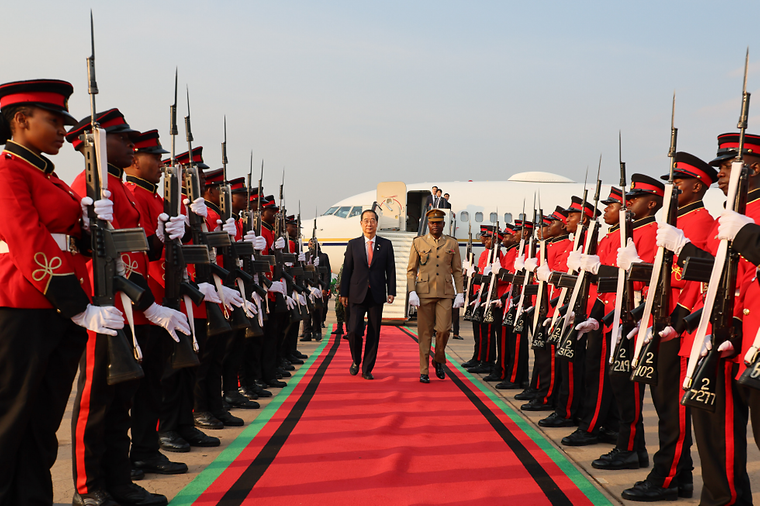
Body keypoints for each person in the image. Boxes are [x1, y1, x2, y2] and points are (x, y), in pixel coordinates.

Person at [0, 79, 124, 506]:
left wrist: (90, 225)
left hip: (60, 307)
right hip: (23, 306)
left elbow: (70, 240)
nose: (61, 131)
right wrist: (77, 306)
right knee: (9, 421)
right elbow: (28, 240)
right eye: (53, 121)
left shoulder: (46, 175)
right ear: (20, 121)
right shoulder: (8, 170)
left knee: (40, 423)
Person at [407, 209, 465, 382]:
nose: (435, 226)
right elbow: (411, 270)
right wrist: (412, 291)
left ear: (443, 224)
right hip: (424, 293)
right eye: (432, 223)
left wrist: (460, 293)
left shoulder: (452, 244)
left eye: (438, 223)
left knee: (444, 330)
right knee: (424, 333)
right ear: (428, 224)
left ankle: (439, 358)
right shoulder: (418, 242)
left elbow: (457, 270)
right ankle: (424, 370)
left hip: (445, 293)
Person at [340, 209, 396, 379]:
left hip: (376, 294)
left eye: (372, 220)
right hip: (356, 293)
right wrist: (343, 292)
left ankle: (367, 368)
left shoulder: (386, 245)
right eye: (366, 220)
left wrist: (391, 290)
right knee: (353, 330)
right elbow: (347, 270)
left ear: (377, 223)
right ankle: (356, 360)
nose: (369, 224)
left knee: (374, 332)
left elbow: (391, 269)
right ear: (361, 224)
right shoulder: (353, 244)